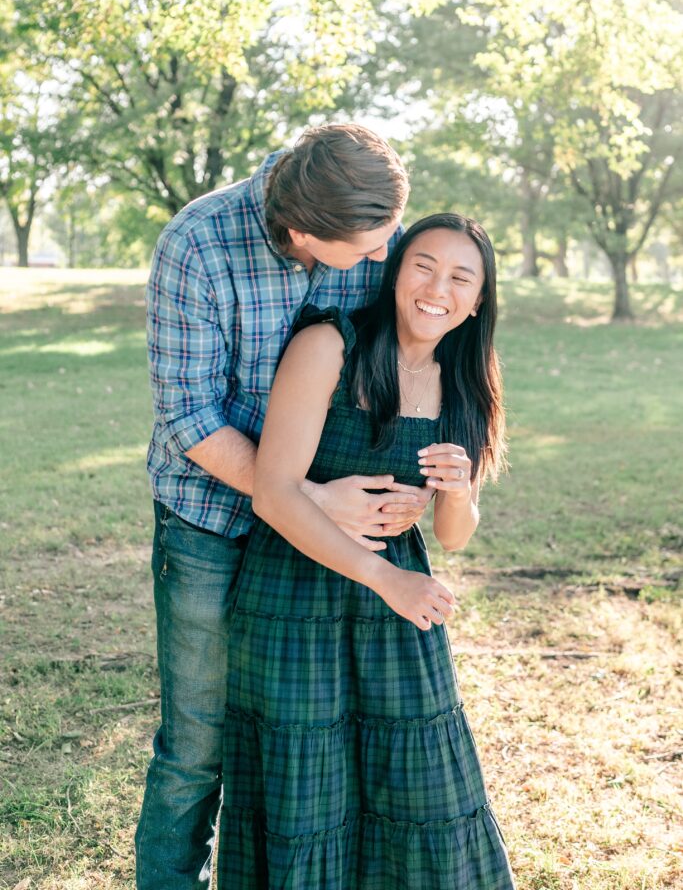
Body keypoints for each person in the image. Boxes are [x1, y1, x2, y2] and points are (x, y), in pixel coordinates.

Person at [136, 124, 434, 890]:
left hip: (323, 529)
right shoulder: (196, 246)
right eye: (368, 249)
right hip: (212, 521)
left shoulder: (365, 221)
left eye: (388, 236)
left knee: (311, 732)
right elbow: (191, 417)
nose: (383, 258)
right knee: (198, 742)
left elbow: (404, 348)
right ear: (302, 232)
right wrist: (300, 496)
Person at [217, 213, 514, 889]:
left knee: (422, 784)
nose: (436, 287)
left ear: (475, 303)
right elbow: (273, 493)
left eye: (459, 278)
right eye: (423, 265)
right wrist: (387, 579)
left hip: (395, 601)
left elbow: (452, 535)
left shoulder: (464, 384)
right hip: (293, 590)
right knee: (305, 793)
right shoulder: (329, 344)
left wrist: (458, 491)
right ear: (393, 271)